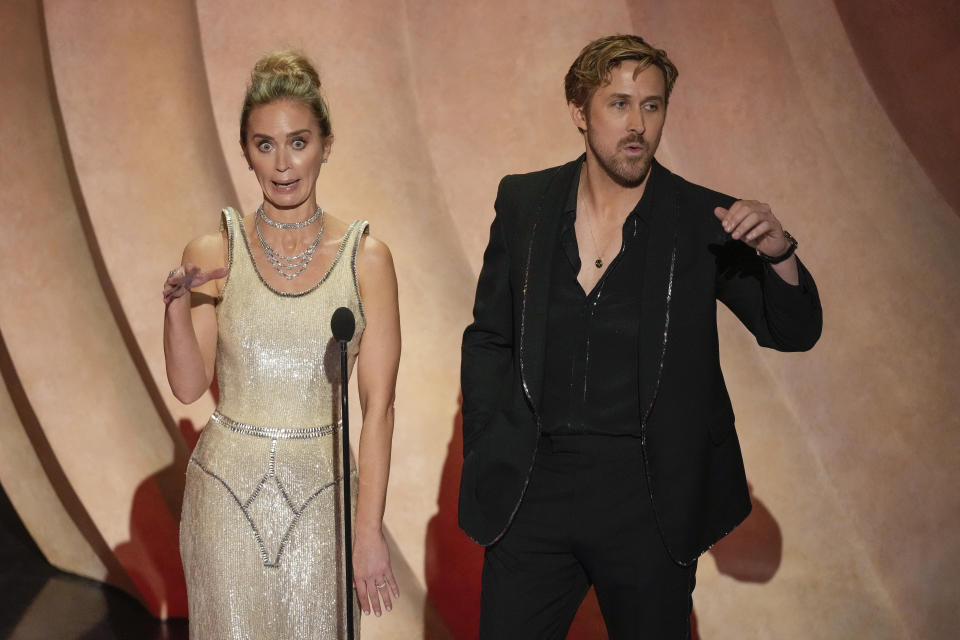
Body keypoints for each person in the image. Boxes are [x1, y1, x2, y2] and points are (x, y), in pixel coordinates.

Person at [459, 34, 822, 639]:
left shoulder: (703, 220)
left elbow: (793, 330)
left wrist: (780, 254)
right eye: (620, 104)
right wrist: (489, 443)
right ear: (580, 112)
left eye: (652, 106)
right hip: (534, 489)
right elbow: (490, 337)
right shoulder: (524, 202)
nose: (639, 125)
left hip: (647, 498)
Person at [163, 51, 400, 638]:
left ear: (325, 143)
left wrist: (367, 533)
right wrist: (173, 307)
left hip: (325, 500)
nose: (283, 162)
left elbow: (380, 408)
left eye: (298, 141)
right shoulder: (213, 250)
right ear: (245, 150)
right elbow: (189, 387)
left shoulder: (366, 258)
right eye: (264, 144)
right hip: (223, 498)